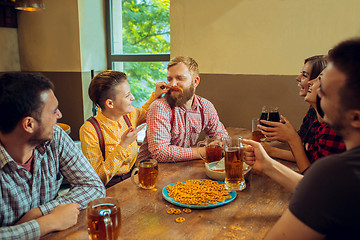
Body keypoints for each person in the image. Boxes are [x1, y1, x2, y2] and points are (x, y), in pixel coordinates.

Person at [244, 38, 360, 239]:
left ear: (355, 116)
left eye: (327, 85)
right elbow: (323, 194)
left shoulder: (337, 171)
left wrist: (289, 143)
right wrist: (268, 164)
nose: (317, 87)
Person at [0, 73, 105, 239]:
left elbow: (93, 187)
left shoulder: (56, 137)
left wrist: (39, 212)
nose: (60, 115)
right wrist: (48, 222)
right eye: (53, 111)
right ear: (29, 124)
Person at [79, 70, 166, 187]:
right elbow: (97, 178)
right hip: (108, 189)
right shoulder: (89, 130)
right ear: (110, 103)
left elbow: (145, 111)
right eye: (127, 95)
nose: (133, 98)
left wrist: (156, 95)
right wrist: (123, 145)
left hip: (132, 180)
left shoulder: (128, 116)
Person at [137, 56, 228, 162]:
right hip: (150, 172)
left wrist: (220, 142)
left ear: (195, 82)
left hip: (181, 167)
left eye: (180, 78)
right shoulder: (159, 107)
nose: (172, 84)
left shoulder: (206, 107)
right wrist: (203, 151)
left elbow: (221, 136)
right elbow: (160, 153)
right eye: (169, 79)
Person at [260, 68, 346, 173]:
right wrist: (273, 150)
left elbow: (314, 181)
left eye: (319, 79)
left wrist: (292, 139)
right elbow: (310, 155)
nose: (310, 82)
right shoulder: (319, 122)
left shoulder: (333, 128)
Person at [261, 55, 328, 163]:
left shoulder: (331, 127)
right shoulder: (313, 111)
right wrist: (285, 135)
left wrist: (290, 139)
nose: (298, 78)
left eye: (304, 75)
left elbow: (311, 163)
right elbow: (307, 150)